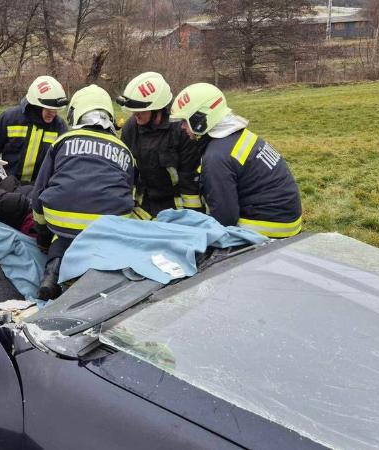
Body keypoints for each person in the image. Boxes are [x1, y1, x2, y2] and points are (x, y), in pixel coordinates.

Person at [32, 85, 136, 299]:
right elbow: (129, 191)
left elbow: (39, 191)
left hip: (61, 218)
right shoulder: (124, 150)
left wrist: (42, 235)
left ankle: (51, 275)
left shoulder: (62, 141)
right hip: (106, 225)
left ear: (76, 112)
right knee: (97, 238)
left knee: (61, 236)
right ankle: (95, 280)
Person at [169, 83, 302, 238]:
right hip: (287, 219)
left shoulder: (216, 157)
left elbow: (225, 219)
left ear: (200, 119)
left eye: (185, 121)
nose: (182, 127)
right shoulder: (237, 136)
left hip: (267, 228)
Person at [118, 72, 202, 219]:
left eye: (140, 110)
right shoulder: (131, 128)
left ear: (158, 109)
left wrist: (193, 219)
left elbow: (189, 179)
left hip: (176, 209)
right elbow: (126, 173)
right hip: (142, 208)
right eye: (133, 110)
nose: (135, 114)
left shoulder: (180, 130)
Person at [0, 76, 69, 183]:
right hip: (8, 185)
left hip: (40, 188)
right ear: (36, 106)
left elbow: (64, 163)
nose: (53, 113)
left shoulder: (59, 127)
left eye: (56, 109)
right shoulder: (10, 118)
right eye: (49, 109)